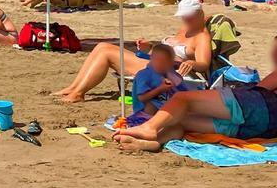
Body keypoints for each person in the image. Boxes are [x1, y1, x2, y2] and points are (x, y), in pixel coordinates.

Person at [114, 36, 277, 152]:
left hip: (255, 105)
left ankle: (149, 128)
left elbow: (261, 89)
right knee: (179, 120)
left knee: (182, 100)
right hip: (260, 128)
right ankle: (156, 142)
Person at [53, 0, 212, 103]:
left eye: (189, 16)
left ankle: (79, 93)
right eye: (183, 16)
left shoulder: (201, 37)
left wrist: (191, 62)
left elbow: (204, 64)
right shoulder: (186, 28)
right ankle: (73, 87)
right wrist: (149, 48)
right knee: (102, 46)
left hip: (166, 72)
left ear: (199, 14)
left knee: (107, 53)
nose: (185, 19)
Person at [132, 44, 192, 117]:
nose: (160, 64)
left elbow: (182, 92)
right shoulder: (144, 75)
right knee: (151, 105)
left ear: (171, 62)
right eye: (157, 60)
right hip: (145, 113)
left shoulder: (170, 73)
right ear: (151, 58)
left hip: (168, 111)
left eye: (165, 61)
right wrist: (160, 89)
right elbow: (142, 98)